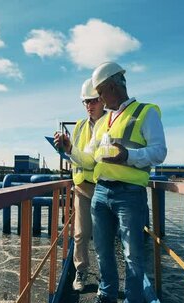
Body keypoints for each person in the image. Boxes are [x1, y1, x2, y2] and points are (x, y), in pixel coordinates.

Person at [68, 62, 167, 303]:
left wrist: (128, 157)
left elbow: (159, 152)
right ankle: (108, 296)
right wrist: (69, 150)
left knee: (133, 255)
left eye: (100, 94)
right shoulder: (104, 122)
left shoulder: (146, 113)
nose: (98, 100)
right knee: (102, 249)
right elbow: (89, 158)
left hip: (129, 194)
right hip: (101, 192)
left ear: (113, 87)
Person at [53, 78, 106, 291]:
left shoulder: (110, 122)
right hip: (82, 187)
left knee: (103, 235)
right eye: (85, 102)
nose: (89, 106)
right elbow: (74, 157)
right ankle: (81, 271)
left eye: (93, 101)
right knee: (80, 233)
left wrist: (71, 152)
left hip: (103, 188)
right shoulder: (80, 126)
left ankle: (106, 276)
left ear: (103, 100)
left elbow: (93, 158)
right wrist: (64, 149)